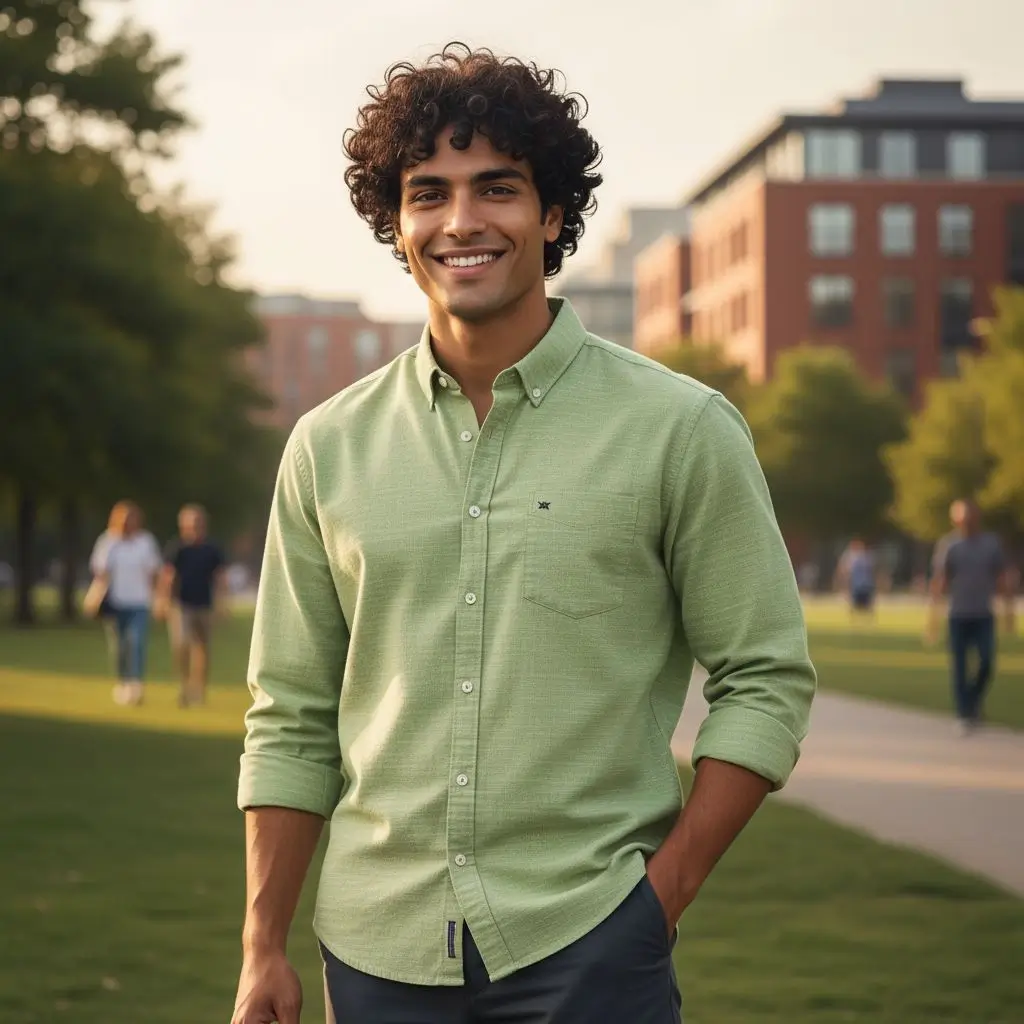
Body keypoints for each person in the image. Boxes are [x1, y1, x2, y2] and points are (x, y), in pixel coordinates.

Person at [232, 44, 816, 1024]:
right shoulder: (325, 448)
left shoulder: (680, 429)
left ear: (551, 215)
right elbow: (289, 713)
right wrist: (261, 946)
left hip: (590, 943)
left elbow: (766, 676)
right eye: (429, 193)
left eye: (496, 188)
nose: (461, 221)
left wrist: (659, 899)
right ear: (398, 223)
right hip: (375, 955)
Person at [928, 499, 1016, 734]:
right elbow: (940, 581)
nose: (966, 522)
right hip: (958, 615)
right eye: (961, 518)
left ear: (977, 517)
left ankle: (973, 700)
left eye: (969, 517)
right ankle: (964, 713)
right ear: (955, 520)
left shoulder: (991, 544)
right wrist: (933, 619)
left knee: (987, 662)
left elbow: (1002, 578)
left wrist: (1009, 612)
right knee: (959, 666)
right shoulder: (949, 546)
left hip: (983, 615)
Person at [158, 504, 227, 707]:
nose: (194, 526)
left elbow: (220, 577)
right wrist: (163, 600)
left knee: (203, 650)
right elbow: (168, 576)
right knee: (182, 646)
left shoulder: (212, 549)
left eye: (198, 522)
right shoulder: (177, 548)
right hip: (181, 605)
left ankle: (200, 690)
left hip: (204, 605)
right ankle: (184, 687)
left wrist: (222, 603)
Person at [95, 501, 161, 706]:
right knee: (119, 646)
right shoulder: (107, 541)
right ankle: (122, 682)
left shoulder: (145, 542)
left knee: (137, 643)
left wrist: (158, 599)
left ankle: (136, 685)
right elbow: (101, 572)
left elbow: (153, 573)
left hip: (139, 602)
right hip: (115, 602)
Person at [835, 538, 877, 617]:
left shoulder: (865, 557)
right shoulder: (852, 556)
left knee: (866, 603)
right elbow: (843, 569)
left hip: (864, 584)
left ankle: (864, 616)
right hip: (857, 584)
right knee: (856, 603)